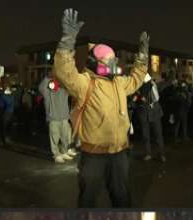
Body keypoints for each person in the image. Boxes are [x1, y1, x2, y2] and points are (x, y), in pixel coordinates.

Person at [54, 9, 148, 208]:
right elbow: (64, 71)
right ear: (95, 63)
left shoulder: (119, 83)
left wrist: (143, 57)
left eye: (114, 60)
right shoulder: (85, 83)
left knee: (122, 199)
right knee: (88, 200)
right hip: (93, 156)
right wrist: (67, 41)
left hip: (120, 153)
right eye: (109, 61)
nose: (113, 64)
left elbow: (137, 78)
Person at [38, 71, 75, 163]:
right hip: (53, 117)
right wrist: (47, 77)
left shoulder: (64, 88)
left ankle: (64, 152)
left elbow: (72, 87)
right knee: (54, 138)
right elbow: (40, 88)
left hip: (64, 116)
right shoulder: (47, 89)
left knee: (65, 137)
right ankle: (56, 154)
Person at [134, 73, 166, 162]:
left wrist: (146, 98)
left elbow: (156, 98)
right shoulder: (137, 86)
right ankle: (148, 153)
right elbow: (135, 99)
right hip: (143, 112)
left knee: (158, 134)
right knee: (145, 135)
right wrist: (138, 98)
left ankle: (162, 154)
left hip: (154, 111)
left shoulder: (151, 84)